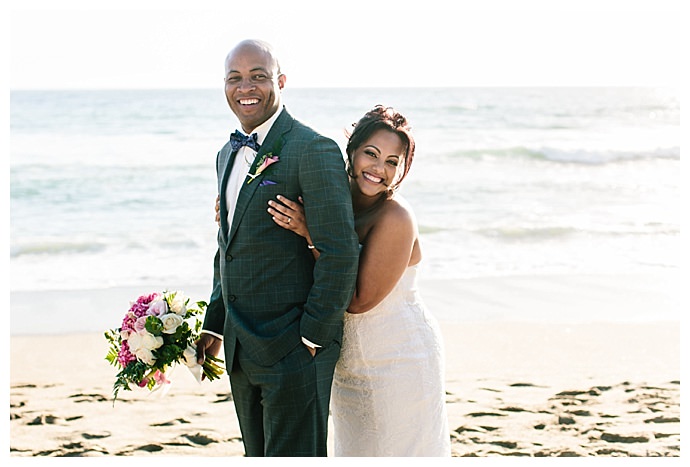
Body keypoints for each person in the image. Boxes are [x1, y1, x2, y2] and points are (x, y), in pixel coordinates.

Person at [196, 39, 360, 457]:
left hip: (293, 349)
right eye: (235, 77)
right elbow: (226, 249)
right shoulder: (224, 155)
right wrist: (214, 325)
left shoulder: (313, 149)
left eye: (258, 76)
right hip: (239, 345)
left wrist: (311, 337)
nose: (245, 87)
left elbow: (340, 252)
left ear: (280, 81)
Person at [266, 105, 451, 456]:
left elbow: (356, 300)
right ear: (351, 151)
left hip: (400, 358)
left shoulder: (396, 217)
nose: (379, 169)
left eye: (393, 162)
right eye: (371, 153)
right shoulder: (334, 202)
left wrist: (310, 232)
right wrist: (230, 212)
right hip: (348, 361)